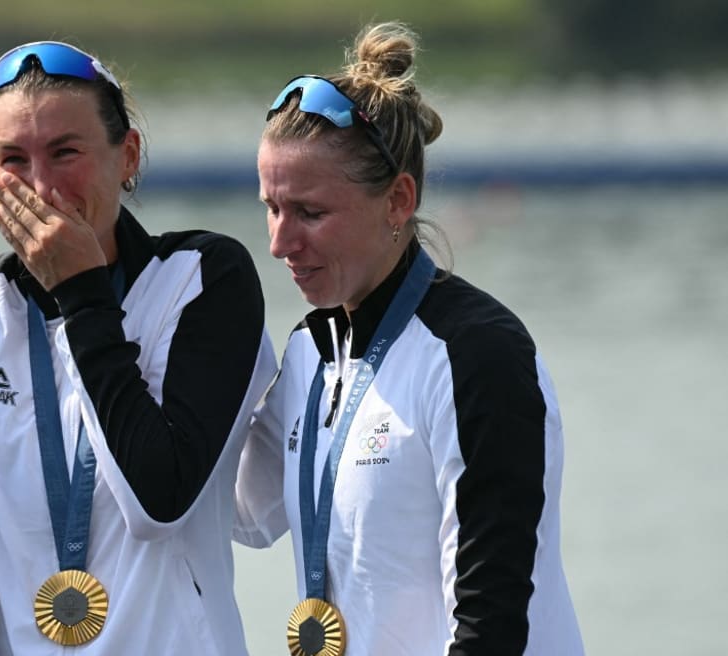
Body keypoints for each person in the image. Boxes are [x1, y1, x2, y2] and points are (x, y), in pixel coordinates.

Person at [0, 40, 276, 655]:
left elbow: (160, 501)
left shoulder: (202, 277)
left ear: (127, 156)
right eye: (13, 158)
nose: (41, 188)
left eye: (65, 152)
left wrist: (82, 297)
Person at [234, 22, 585, 656]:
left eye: (310, 213)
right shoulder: (311, 351)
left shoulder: (478, 353)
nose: (280, 243)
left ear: (398, 200)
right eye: (271, 207)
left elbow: (491, 618)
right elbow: (238, 514)